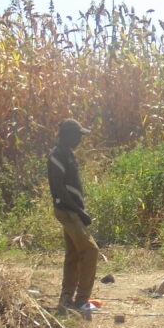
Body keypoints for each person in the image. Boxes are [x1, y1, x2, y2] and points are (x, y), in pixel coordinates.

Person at [47, 118, 99, 315]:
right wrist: (79, 211)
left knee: (74, 255)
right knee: (91, 250)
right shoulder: (57, 155)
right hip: (67, 211)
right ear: (67, 135)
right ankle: (82, 301)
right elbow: (58, 188)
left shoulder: (67, 153)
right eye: (78, 136)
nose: (80, 140)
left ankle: (66, 298)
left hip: (72, 210)